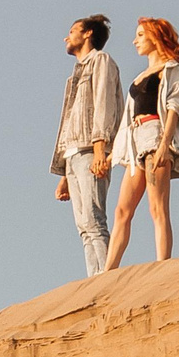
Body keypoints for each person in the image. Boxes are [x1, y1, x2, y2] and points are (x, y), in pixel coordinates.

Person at [105, 17, 179, 268]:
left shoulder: (170, 69)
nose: (135, 41)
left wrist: (166, 143)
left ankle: (162, 266)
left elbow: (176, 105)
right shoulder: (139, 77)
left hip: (155, 138)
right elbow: (126, 120)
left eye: (141, 35)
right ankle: (108, 271)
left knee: (157, 208)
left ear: (155, 37)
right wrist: (113, 155)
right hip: (135, 143)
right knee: (122, 211)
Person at [51, 14, 124, 277]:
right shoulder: (74, 76)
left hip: (90, 150)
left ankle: (107, 279)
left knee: (94, 220)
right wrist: (64, 175)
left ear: (88, 34)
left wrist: (99, 150)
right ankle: (93, 280)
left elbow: (105, 105)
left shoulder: (101, 62)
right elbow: (68, 121)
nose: (66, 37)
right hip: (73, 154)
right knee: (83, 226)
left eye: (72, 31)